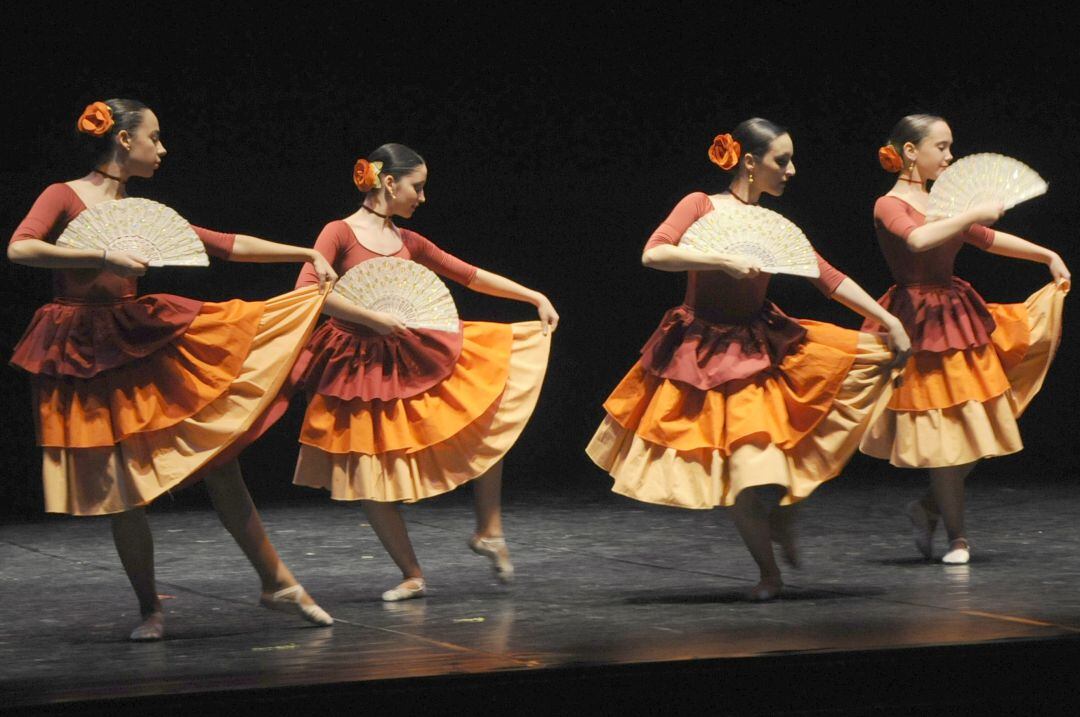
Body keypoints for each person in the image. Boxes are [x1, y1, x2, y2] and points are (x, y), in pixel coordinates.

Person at [8, 99, 339, 640]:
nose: (161, 149)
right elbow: (21, 248)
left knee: (218, 458)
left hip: (138, 338)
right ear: (123, 141)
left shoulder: (142, 210)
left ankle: (277, 583)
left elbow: (225, 244)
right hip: (86, 349)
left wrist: (305, 252)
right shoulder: (63, 195)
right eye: (154, 138)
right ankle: (150, 608)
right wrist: (100, 258)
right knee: (123, 487)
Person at [587, 118, 911, 600]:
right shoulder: (702, 205)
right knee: (741, 475)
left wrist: (891, 320)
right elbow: (653, 254)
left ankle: (782, 515)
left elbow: (826, 276)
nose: (792, 170)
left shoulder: (772, 223)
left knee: (782, 461)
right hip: (706, 353)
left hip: (762, 344)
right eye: (782, 160)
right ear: (751, 163)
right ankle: (769, 573)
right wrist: (720, 260)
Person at [286, 143, 557, 601]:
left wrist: (533, 296)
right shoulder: (340, 233)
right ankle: (412, 573)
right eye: (418, 187)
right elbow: (310, 293)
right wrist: (372, 318)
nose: (422, 197)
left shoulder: (409, 241)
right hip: (357, 366)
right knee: (367, 472)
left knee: (487, 410)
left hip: (409, 355)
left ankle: (488, 528)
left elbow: (467, 274)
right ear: (389, 183)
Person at [862, 114, 1069, 564]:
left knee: (980, 425)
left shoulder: (942, 202)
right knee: (943, 434)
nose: (950, 156)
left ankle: (929, 507)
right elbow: (917, 240)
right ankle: (958, 537)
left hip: (957, 317)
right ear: (911, 151)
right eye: (941, 147)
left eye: (951, 146)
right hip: (917, 322)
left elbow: (986, 238)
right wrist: (970, 211)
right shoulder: (888, 203)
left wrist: (1046, 254)